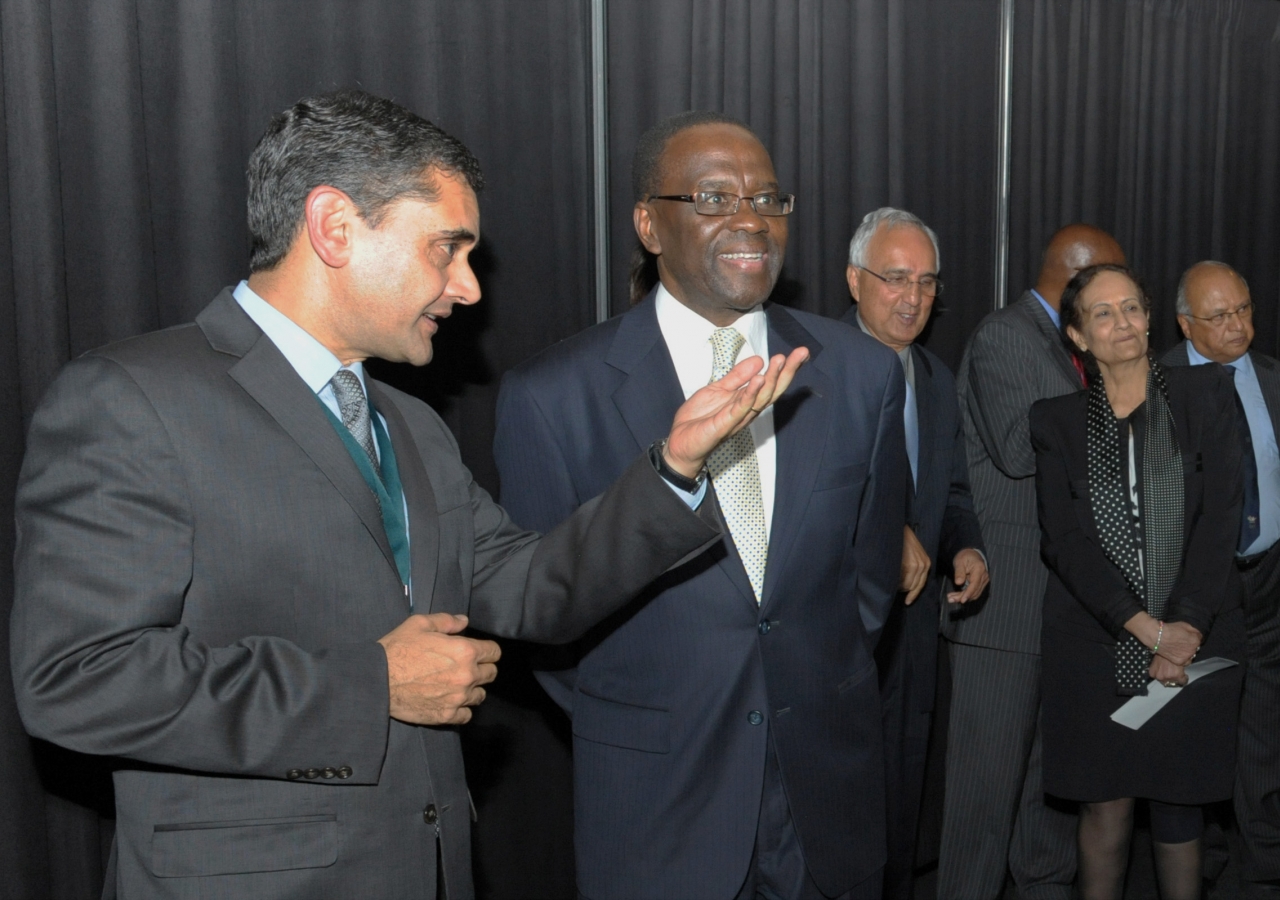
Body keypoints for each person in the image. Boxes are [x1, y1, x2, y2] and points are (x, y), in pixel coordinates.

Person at [9, 91, 807, 900]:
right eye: (446, 249)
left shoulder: (410, 425)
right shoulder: (133, 398)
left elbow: (533, 590)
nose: (467, 289)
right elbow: (76, 679)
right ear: (334, 228)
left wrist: (672, 467)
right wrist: (371, 686)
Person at [493, 111, 906, 900]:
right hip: (660, 809)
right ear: (650, 224)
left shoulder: (858, 372)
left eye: (768, 199)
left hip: (825, 800)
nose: (750, 220)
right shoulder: (553, 396)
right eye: (714, 198)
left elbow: (869, 581)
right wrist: (652, 712)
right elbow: (541, 615)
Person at [1031, 263, 1245, 899]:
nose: (1121, 322)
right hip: (1092, 648)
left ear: (1150, 318)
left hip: (1198, 637)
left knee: (1181, 808)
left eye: (1131, 307)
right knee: (1105, 806)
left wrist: (1183, 629)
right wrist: (1145, 628)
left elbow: (1220, 520)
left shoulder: (1206, 396)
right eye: (1102, 313)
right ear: (1077, 335)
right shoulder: (1054, 422)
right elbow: (1063, 542)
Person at [941, 223, 1126, 899]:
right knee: (982, 806)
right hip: (1004, 609)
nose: (1127, 302)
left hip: (1061, 612)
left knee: (1046, 805)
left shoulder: (1068, 346)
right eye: (1115, 283)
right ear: (1082, 277)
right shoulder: (1006, 337)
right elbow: (1023, 452)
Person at [839, 207, 987, 900]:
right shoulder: (813, 367)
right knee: (840, 813)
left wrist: (970, 549)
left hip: (917, 633)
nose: (914, 297)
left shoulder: (935, 377)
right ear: (854, 281)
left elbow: (951, 492)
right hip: (836, 636)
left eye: (928, 283)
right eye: (896, 278)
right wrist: (880, 527)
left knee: (904, 805)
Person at [1163, 261, 1280, 898]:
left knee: (1263, 736)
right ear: (1185, 324)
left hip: (1267, 585)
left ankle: (1263, 876)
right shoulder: (1157, 384)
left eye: (1243, 310)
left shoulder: (1271, 377)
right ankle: (1197, 868)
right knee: (1196, 734)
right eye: (1219, 316)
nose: (1238, 326)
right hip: (1192, 594)